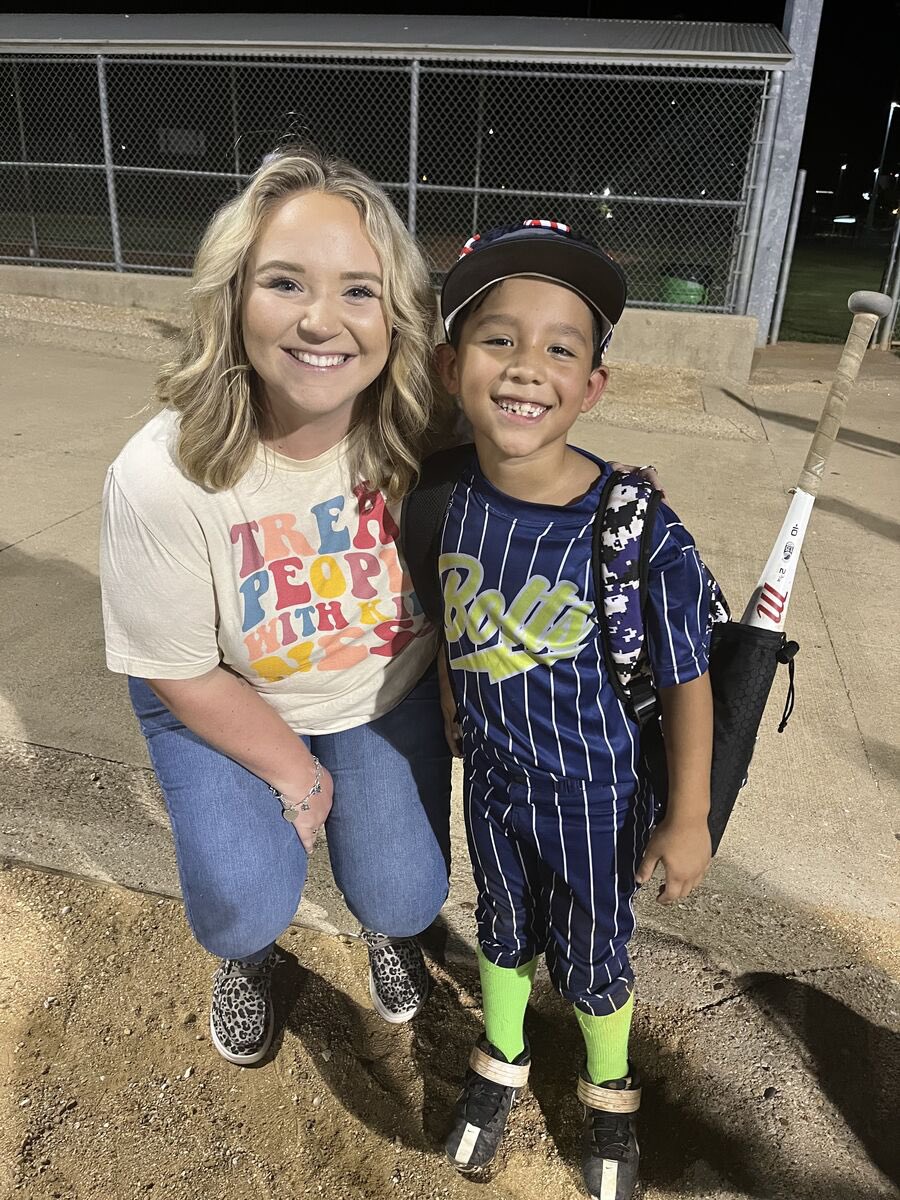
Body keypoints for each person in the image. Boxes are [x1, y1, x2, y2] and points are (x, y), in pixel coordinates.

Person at [99, 145, 458, 1065]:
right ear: (233, 298)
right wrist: (300, 778)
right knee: (241, 903)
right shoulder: (163, 472)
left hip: (378, 691)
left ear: (396, 316)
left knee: (406, 898)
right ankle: (251, 957)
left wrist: (607, 493)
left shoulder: (425, 430)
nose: (320, 320)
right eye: (285, 282)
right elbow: (180, 670)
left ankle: (383, 924)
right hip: (224, 691)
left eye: (359, 291)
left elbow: (537, 472)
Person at [428, 221, 715, 1200]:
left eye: (561, 347)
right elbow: (448, 615)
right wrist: (453, 700)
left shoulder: (634, 525)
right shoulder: (447, 499)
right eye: (498, 338)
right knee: (502, 924)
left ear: (591, 386)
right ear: (453, 366)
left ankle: (608, 1091)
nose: (526, 366)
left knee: (594, 952)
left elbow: (686, 677)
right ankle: (503, 1059)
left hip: (595, 795)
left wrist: (687, 816)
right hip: (494, 778)